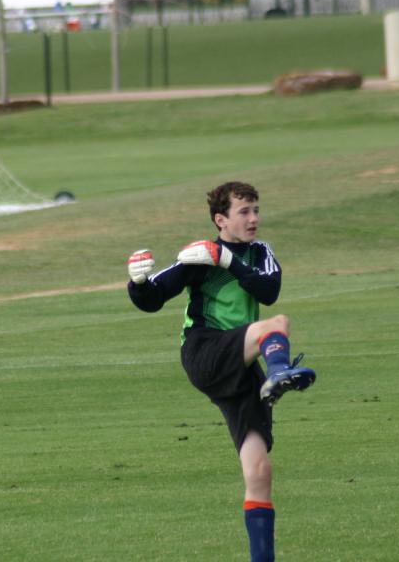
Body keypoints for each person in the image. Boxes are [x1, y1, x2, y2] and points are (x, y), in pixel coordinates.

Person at [126, 181, 316, 562]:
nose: (253, 219)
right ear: (220, 219)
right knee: (276, 323)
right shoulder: (201, 255)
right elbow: (154, 298)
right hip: (205, 350)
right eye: (243, 212)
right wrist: (138, 282)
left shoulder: (260, 252)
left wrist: (231, 262)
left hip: (242, 365)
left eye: (256, 210)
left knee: (259, 471)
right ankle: (279, 372)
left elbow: (268, 289)